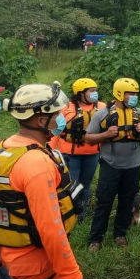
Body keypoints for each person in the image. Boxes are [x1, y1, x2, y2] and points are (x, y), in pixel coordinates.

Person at [0, 82, 83, 279]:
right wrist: (70, 272)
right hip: (36, 262)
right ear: (39, 120)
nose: (60, 118)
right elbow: (50, 226)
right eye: (56, 114)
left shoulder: (5, 148)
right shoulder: (36, 163)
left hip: (16, 259)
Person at [85, 78, 140, 251]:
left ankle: (120, 234)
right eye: (130, 93)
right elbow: (88, 138)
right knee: (104, 201)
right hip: (111, 165)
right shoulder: (102, 115)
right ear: (119, 94)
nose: (134, 97)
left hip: (133, 166)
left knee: (127, 201)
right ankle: (96, 239)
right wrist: (106, 135)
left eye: (135, 94)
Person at [50, 78, 106, 223]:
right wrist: (49, 149)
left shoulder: (101, 107)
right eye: (91, 91)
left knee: (85, 185)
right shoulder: (67, 109)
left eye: (96, 91)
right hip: (70, 154)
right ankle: (69, 214)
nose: (95, 94)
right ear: (80, 93)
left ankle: (80, 215)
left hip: (92, 154)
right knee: (71, 185)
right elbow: (57, 131)